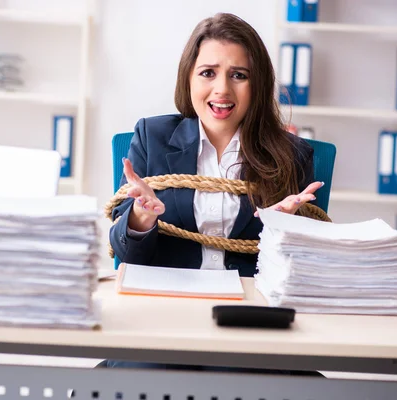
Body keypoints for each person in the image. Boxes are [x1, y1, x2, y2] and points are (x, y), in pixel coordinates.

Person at [103, 12, 325, 375]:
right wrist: (142, 217)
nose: (222, 89)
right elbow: (127, 254)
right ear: (188, 78)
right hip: (164, 316)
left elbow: (299, 276)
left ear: (258, 84)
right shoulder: (152, 138)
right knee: (137, 376)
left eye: (239, 75)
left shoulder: (291, 156)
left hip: (252, 320)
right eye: (208, 73)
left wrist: (285, 232)